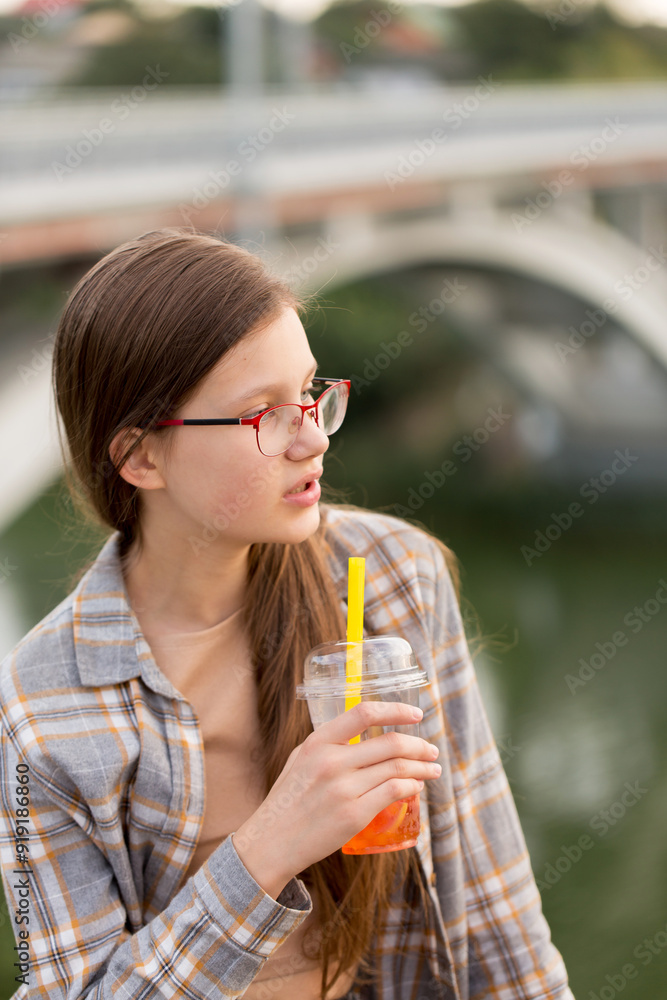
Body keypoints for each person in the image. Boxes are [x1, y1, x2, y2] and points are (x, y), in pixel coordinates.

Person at [0, 226, 575, 1000]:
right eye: (263, 416)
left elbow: (491, 913)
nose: (311, 437)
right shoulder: (43, 710)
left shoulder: (392, 581)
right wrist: (268, 847)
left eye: (309, 392)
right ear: (140, 458)